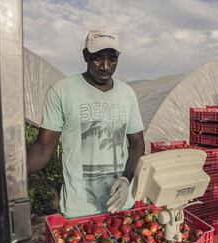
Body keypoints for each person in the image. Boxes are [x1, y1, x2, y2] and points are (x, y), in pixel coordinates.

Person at [27, 26, 145, 218]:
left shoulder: (127, 94)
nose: (105, 66)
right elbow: (43, 148)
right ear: (85, 55)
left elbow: (137, 143)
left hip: (121, 203)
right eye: (98, 57)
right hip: (79, 210)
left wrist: (126, 179)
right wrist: (11, 177)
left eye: (112, 58)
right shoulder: (62, 91)